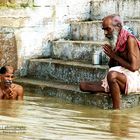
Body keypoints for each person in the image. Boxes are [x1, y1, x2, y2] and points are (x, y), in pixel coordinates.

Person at [80, 14, 140, 109]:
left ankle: (116, 110)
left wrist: (114, 56)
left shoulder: (130, 40)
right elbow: (111, 67)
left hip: (134, 79)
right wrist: (112, 55)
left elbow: (134, 67)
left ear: (118, 26)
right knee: (83, 86)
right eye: (104, 29)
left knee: (112, 75)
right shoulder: (115, 40)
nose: (105, 33)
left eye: (108, 29)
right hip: (120, 76)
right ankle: (114, 89)